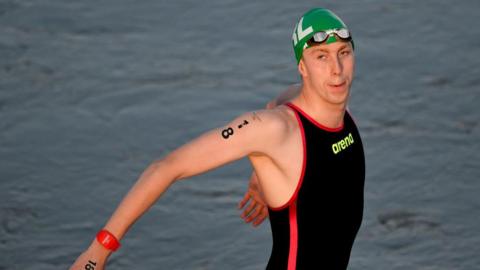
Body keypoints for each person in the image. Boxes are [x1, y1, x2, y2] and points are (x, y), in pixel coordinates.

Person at [70, 7, 365, 270]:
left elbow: (276, 102)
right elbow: (168, 166)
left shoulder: (339, 109)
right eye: (321, 57)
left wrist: (264, 176)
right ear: (302, 68)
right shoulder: (276, 130)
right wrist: (98, 251)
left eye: (343, 53)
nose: (336, 70)